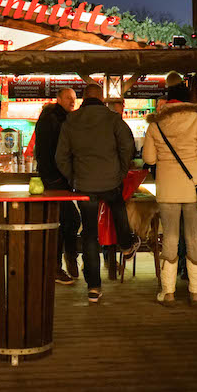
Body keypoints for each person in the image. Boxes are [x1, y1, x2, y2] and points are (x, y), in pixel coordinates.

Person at [55, 83, 136, 303]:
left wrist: (73, 178)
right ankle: (126, 243)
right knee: (117, 203)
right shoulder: (113, 119)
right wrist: (119, 172)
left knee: (90, 233)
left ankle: (93, 287)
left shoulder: (71, 120)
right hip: (110, 182)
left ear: (82, 98)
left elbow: (61, 156)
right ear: (102, 98)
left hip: (84, 185)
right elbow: (128, 146)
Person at [142, 84, 197, 306]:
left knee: (171, 237)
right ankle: (196, 292)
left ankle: (168, 292)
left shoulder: (156, 123)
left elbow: (148, 158)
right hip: (194, 187)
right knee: (194, 237)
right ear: (188, 101)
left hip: (167, 188)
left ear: (169, 101)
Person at [35, 88, 82, 285]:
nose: (72, 102)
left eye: (74, 99)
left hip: (56, 179)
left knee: (62, 221)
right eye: (68, 98)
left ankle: (65, 261)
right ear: (59, 99)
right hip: (53, 179)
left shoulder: (58, 117)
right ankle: (60, 264)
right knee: (68, 219)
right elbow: (56, 152)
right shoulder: (54, 119)